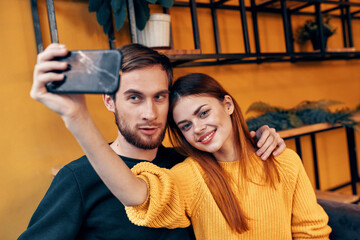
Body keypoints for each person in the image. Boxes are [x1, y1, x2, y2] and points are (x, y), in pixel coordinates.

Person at [19, 43, 285, 240]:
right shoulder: (78, 177)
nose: (150, 113)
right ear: (109, 101)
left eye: (159, 97)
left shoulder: (191, 165)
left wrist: (257, 139)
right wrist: (75, 115)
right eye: (134, 97)